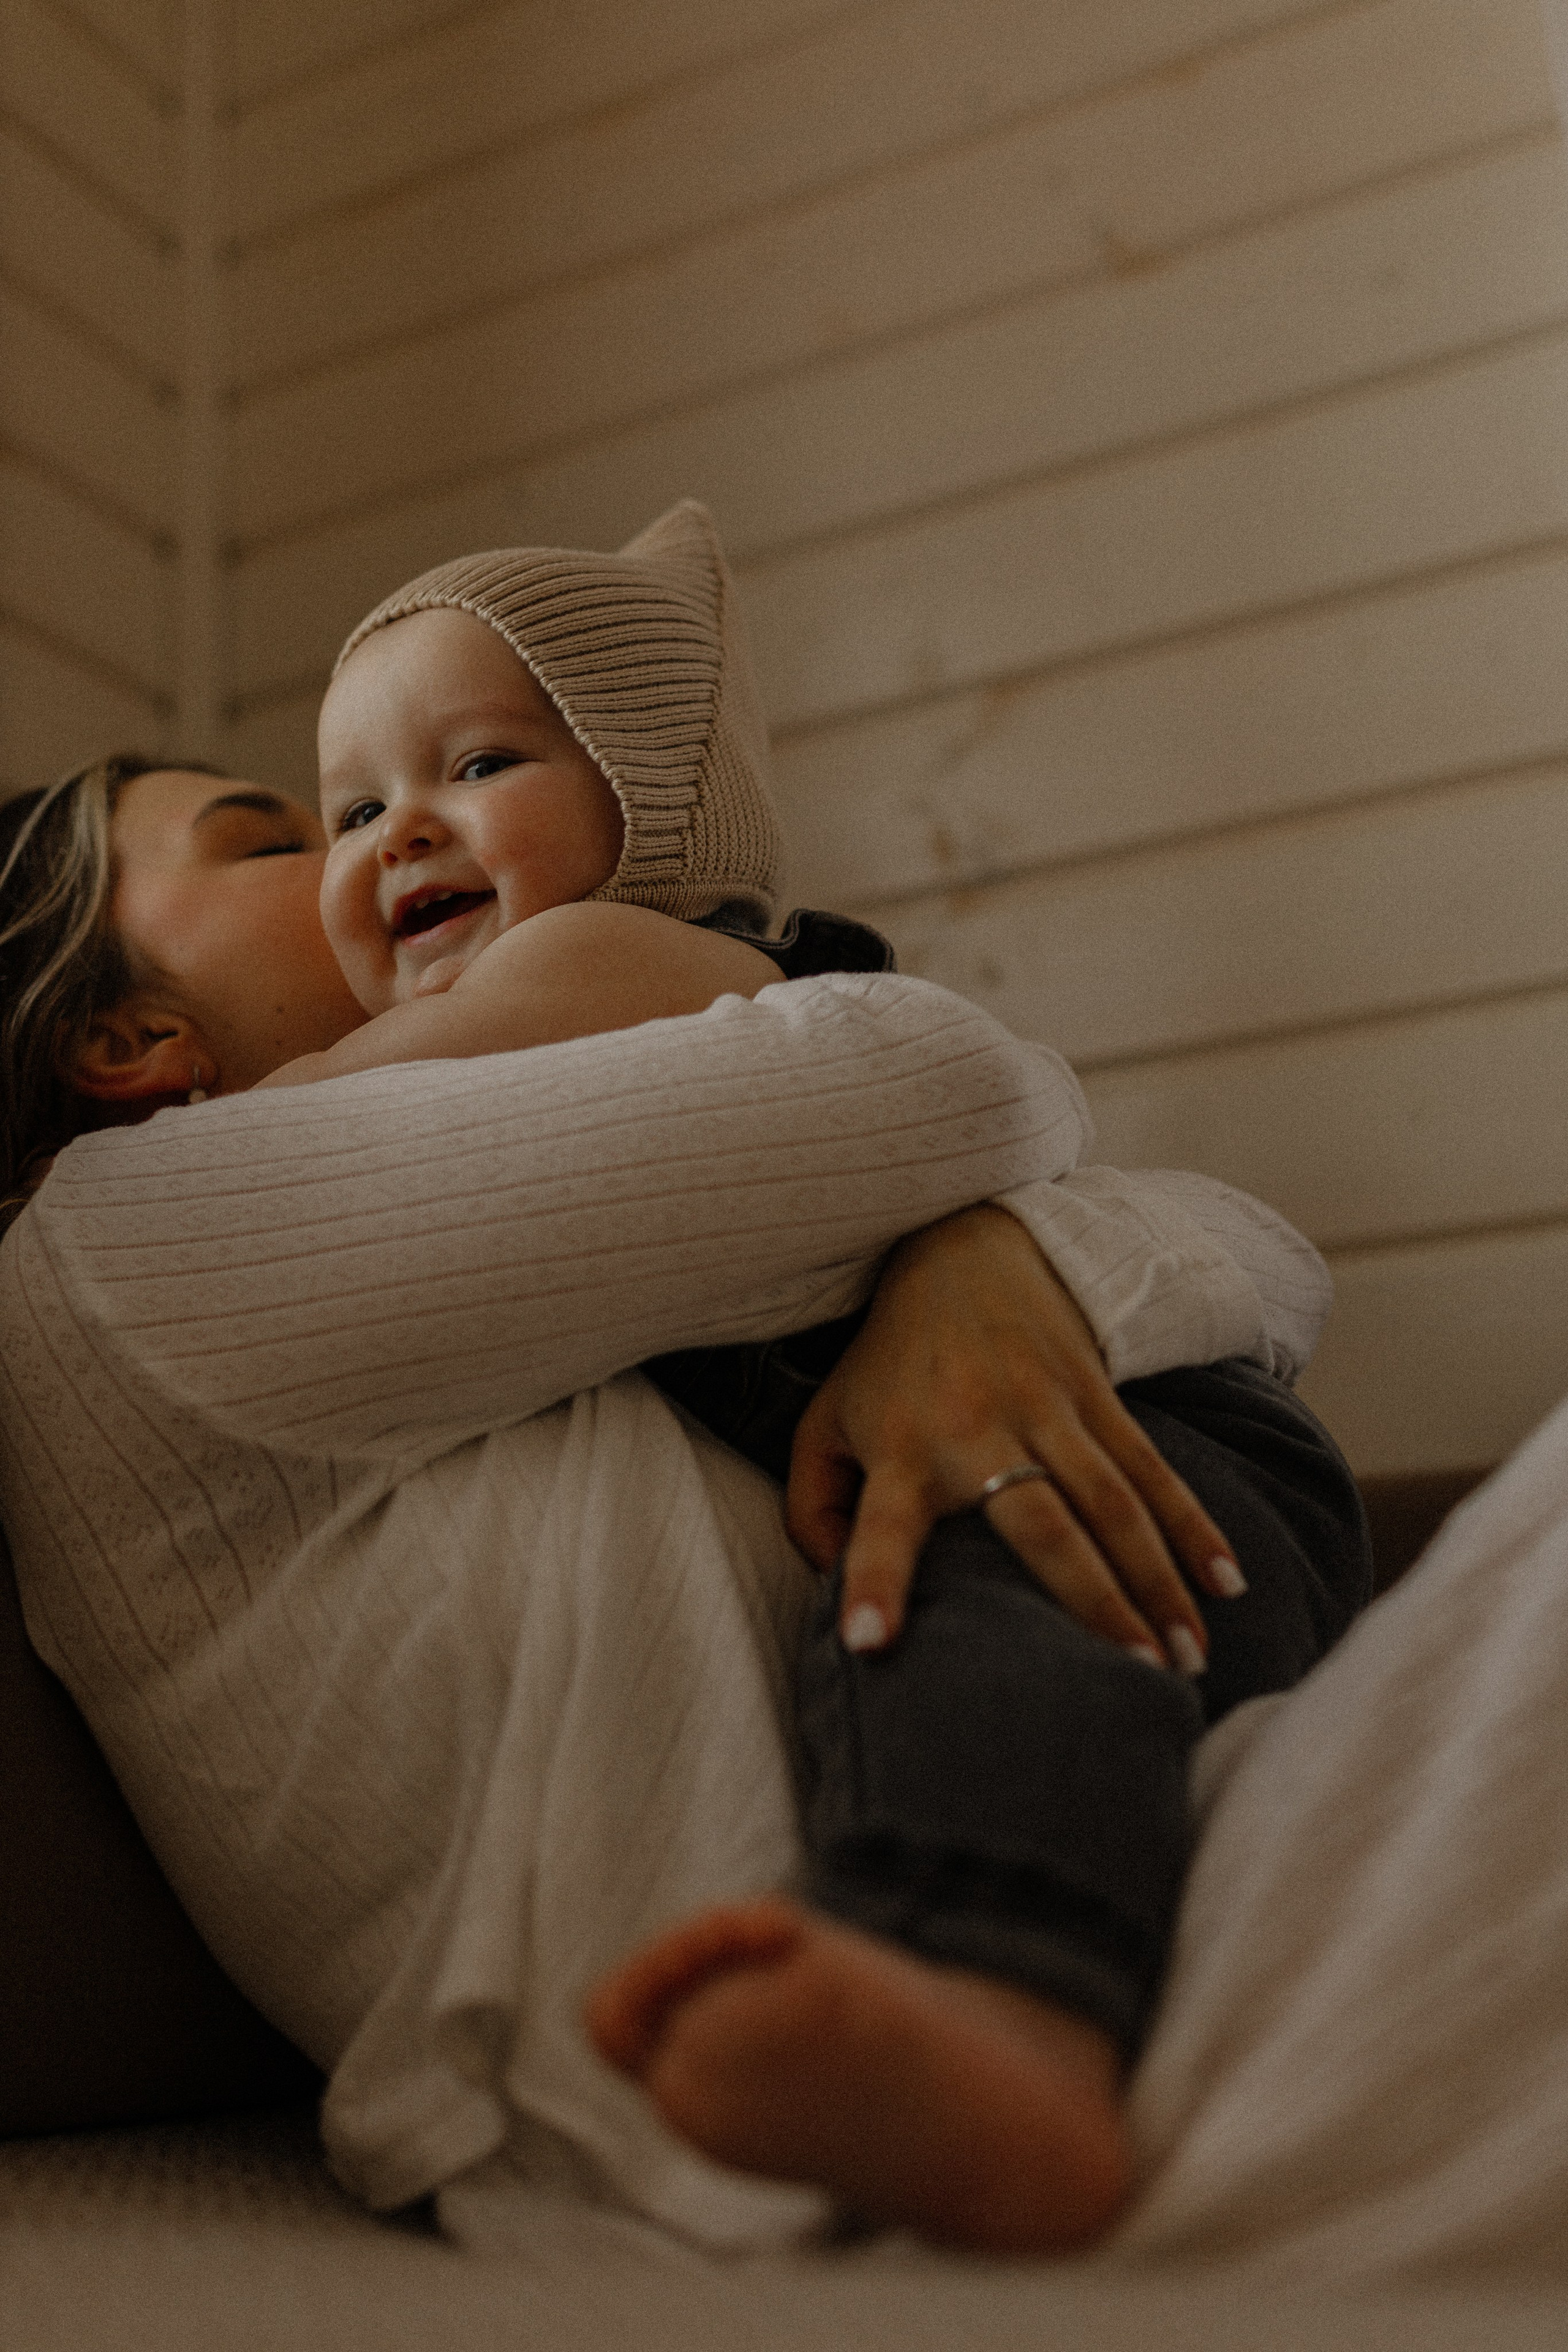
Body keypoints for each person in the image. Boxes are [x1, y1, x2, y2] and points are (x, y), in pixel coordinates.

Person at [172, 499, 1366, 2246]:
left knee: (962, 1599)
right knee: (924, 1625)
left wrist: (170, 1137)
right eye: (353, 809)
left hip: (1145, 1437)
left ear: (650, 809)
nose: (396, 832)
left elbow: (327, 1121)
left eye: (479, 765)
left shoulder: (601, 954)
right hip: (1124, 1447)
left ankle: (1006, 2006)